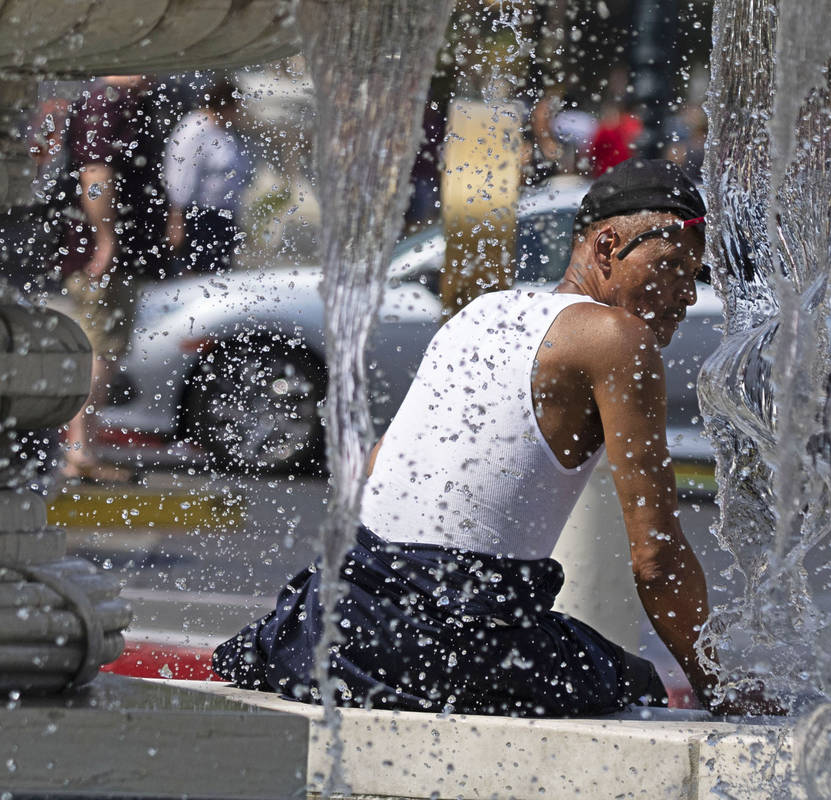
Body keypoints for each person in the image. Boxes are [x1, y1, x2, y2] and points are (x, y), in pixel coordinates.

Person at [214, 159, 769, 717]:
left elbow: (378, 464)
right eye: (671, 265)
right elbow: (655, 557)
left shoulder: (484, 311)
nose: (687, 295)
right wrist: (719, 688)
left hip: (326, 621)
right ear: (606, 249)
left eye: (693, 275)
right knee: (636, 687)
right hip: (436, 643)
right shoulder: (617, 337)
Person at [59, 75, 169, 482]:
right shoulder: (106, 102)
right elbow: (94, 176)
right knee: (99, 354)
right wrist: (105, 240)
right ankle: (79, 452)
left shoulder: (125, 101)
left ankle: (82, 449)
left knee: (105, 351)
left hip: (115, 256)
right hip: (103, 260)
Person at [163, 79, 253, 274]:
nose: (240, 114)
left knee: (220, 273)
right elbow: (180, 173)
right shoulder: (195, 128)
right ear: (226, 105)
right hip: (199, 215)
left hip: (222, 214)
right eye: (238, 107)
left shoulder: (224, 130)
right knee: (199, 272)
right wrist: (177, 217)